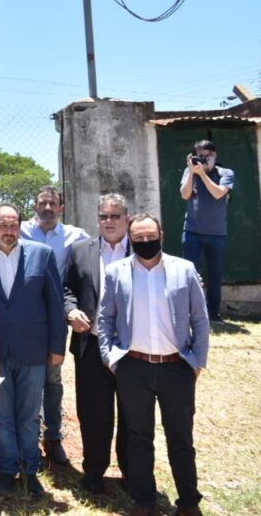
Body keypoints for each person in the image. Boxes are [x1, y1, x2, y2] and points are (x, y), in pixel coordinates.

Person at [98, 213, 209, 516]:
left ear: (161, 236)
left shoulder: (184, 270)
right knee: (138, 437)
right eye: (138, 238)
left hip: (177, 368)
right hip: (134, 368)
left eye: (150, 236)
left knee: (181, 439)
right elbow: (105, 318)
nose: (145, 242)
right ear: (130, 239)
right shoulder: (116, 272)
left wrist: (198, 361)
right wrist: (110, 358)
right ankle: (143, 501)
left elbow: (200, 319)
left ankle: (188, 503)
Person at [0, 203, 64, 498]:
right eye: (3, 225)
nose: (9, 231)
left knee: (30, 415)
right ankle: (7, 471)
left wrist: (57, 346)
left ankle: (31, 470)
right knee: (0, 416)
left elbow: (55, 303)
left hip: (33, 350)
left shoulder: (42, 254)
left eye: (13, 225)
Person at [63, 193, 131, 494]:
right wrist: (71, 311)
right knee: (93, 413)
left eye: (115, 216)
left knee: (132, 413)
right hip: (90, 346)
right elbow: (67, 289)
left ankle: (132, 472)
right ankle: (94, 472)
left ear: (127, 219)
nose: (109, 221)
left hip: (132, 349)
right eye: (104, 216)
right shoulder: (81, 250)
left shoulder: (141, 247)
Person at [20, 185, 88, 465]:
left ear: (61, 208)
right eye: (42, 203)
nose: (47, 208)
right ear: (34, 207)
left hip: (56, 317)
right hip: (25, 316)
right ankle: (29, 436)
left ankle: (53, 435)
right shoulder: (19, 231)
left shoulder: (77, 236)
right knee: (29, 378)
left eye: (52, 204)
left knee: (52, 378)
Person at [180, 139, 234, 322]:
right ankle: (191, 313)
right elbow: (185, 195)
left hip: (217, 233)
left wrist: (202, 174)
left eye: (207, 156)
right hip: (192, 231)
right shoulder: (190, 172)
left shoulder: (225, 172)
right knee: (189, 274)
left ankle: (213, 313)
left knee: (215, 274)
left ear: (214, 155)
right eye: (199, 156)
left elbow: (218, 193)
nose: (203, 160)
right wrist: (192, 172)